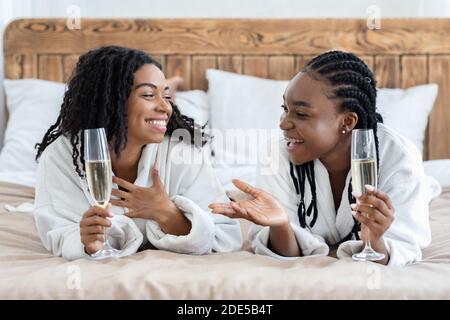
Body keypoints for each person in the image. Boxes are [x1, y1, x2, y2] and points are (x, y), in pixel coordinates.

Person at [209, 50, 432, 266]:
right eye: (284, 108)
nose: (283, 123)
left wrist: (374, 241)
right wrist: (281, 225)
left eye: (301, 114)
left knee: (428, 189)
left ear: (346, 122)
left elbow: (402, 250)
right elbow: (286, 254)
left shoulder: (397, 158)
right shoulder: (276, 154)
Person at [34, 45, 242, 260]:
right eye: (149, 94)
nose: (165, 107)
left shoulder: (182, 153)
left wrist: (166, 212)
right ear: (112, 100)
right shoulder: (62, 156)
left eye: (167, 96)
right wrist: (87, 243)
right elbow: (59, 231)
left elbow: (226, 236)